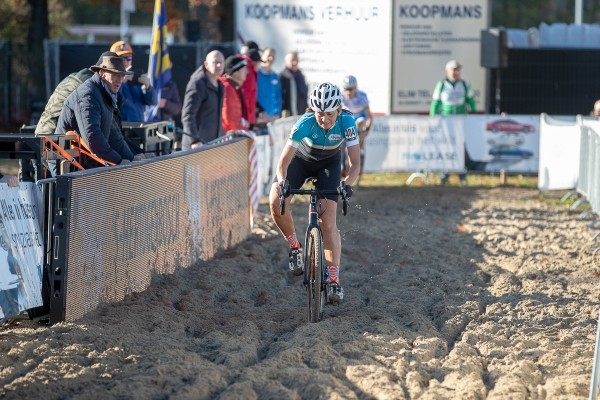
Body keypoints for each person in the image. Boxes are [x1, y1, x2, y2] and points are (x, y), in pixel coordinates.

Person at [269, 82, 360, 304]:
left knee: (328, 222)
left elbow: (355, 163)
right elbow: (283, 162)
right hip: (302, 161)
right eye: (320, 114)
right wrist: (282, 182)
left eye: (329, 114)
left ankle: (333, 279)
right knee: (274, 200)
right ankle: (294, 247)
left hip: (329, 164)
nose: (324, 119)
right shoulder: (305, 123)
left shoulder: (348, 123)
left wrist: (347, 183)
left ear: (338, 110)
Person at [55, 52, 142, 168]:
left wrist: (132, 158)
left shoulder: (105, 94)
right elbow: (92, 137)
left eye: (122, 75)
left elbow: (114, 136)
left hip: (83, 165)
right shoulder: (88, 94)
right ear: (102, 73)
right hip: (66, 168)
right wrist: (119, 161)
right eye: (114, 74)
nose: (119, 79)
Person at [429, 59, 476, 185]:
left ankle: (462, 174)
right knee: (446, 147)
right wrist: (433, 118)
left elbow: (471, 102)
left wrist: (473, 114)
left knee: (460, 146)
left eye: (457, 70)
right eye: (453, 69)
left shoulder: (465, 84)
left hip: (460, 121)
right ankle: (445, 174)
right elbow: (436, 103)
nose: (455, 72)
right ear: (447, 71)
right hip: (446, 121)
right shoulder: (442, 85)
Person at [181, 50, 225, 150]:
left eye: (221, 62)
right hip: (196, 147)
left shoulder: (220, 85)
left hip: (212, 144)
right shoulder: (197, 83)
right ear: (206, 64)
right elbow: (188, 115)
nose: (219, 65)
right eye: (215, 62)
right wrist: (194, 140)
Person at [110, 40, 158, 122]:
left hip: (138, 126)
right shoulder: (108, 78)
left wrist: (148, 86)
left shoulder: (134, 78)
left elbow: (153, 102)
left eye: (128, 58)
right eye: (121, 58)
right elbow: (111, 101)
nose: (125, 61)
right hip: (120, 128)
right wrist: (121, 80)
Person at [341, 75, 372, 184]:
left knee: (360, 122)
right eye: (346, 89)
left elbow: (369, 117)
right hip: (347, 118)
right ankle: (343, 168)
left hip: (359, 119)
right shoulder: (340, 97)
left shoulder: (361, 97)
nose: (348, 92)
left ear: (356, 88)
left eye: (351, 89)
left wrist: (366, 129)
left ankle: (360, 152)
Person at [219, 55, 249, 132]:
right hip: (229, 137)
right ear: (235, 72)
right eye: (244, 69)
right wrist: (239, 133)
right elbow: (229, 118)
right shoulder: (228, 88)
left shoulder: (234, 88)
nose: (247, 72)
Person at [238, 40, 261, 127]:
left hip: (246, 116)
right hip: (243, 118)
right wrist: (246, 118)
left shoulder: (250, 69)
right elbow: (245, 95)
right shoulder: (246, 69)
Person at [257, 47, 282, 123]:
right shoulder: (256, 74)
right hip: (258, 119)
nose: (270, 58)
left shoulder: (275, 76)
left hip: (272, 119)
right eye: (268, 55)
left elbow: (278, 97)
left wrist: (276, 114)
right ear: (262, 56)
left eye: (273, 56)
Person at [280, 51, 308, 118]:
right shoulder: (282, 76)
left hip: (300, 114)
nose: (295, 62)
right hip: (287, 115)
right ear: (286, 62)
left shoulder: (301, 76)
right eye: (292, 60)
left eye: (296, 60)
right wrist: (283, 109)